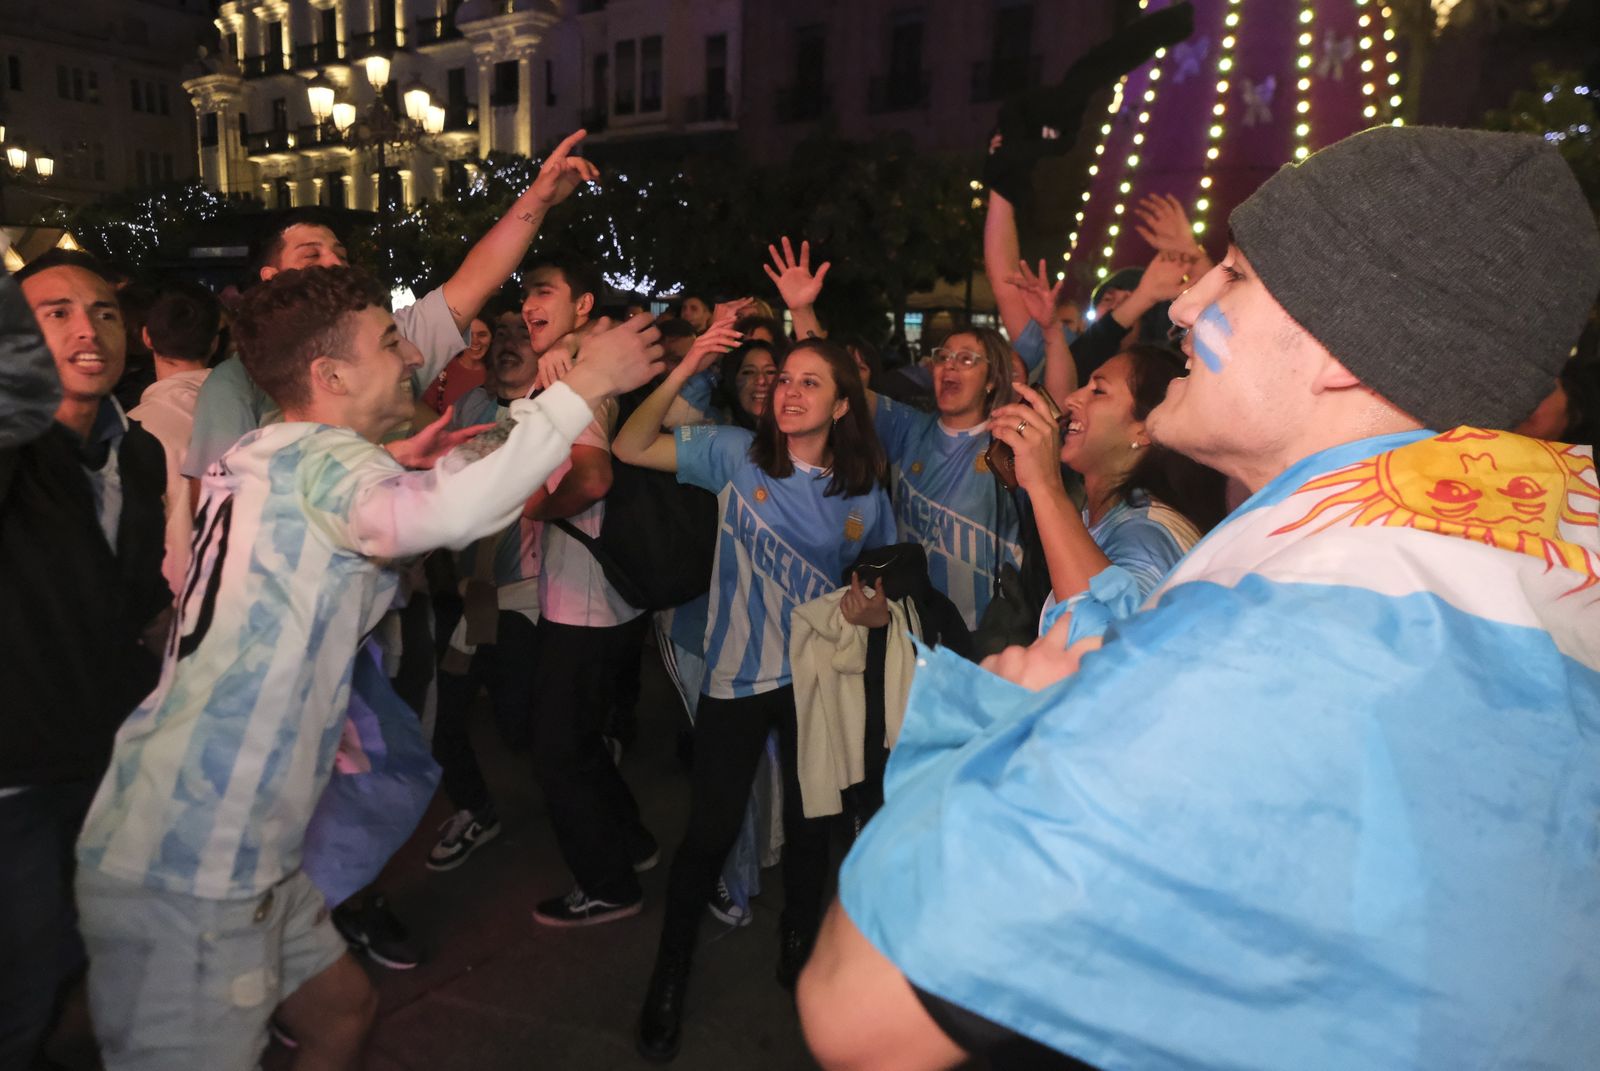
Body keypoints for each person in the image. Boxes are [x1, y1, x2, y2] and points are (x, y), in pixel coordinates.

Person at [797, 126, 1600, 1071]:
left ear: (1344, 350)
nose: (1185, 304)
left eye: (1236, 277)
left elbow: (856, 1007)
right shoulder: (1538, 536)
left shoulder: (1257, 649)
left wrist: (1008, 719)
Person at [73, 265, 664, 1071]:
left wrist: (390, 459)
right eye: (390, 341)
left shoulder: (267, 452)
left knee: (341, 1015)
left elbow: (373, 509)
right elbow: (451, 511)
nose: (412, 358)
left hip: (230, 844)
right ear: (332, 375)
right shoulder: (326, 468)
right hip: (196, 861)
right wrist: (586, 382)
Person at [615, 333, 896, 1063]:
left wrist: (875, 608)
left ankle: (798, 941)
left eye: (809, 382)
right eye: (782, 381)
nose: (789, 391)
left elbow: (880, 582)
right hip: (735, 679)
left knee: (810, 830)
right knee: (707, 833)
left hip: (815, 686)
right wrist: (688, 362)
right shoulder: (735, 454)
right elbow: (629, 444)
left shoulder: (862, 490)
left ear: (840, 405)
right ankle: (669, 973)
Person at [0, 254, 170, 1069]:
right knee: (26, 979)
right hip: (17, 772)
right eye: (54, 312)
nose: (85, 328)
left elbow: (132, 602)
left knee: (99, 951)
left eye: (101, 311)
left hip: (112, 756)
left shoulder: (136, 456)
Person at [766, 237, 1071, 633]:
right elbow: (832, 384)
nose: (949, 367)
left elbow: (1058, 411)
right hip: (908, 625)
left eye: (966, 360)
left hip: (983, 633)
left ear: (992, 380)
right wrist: (802, 309)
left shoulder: (1009, 442)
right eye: (942, 357)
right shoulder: (908, 426)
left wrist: (1051, 332)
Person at [520, 256, 662, 928]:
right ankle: (629, 844)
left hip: (583, 599)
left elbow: (594, 477)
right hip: (610, 595)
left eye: (543, 292)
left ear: (583, 305)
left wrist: (534, 510)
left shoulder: (576, 384)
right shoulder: (576, 371)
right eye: (525, 295)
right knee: (578, 738)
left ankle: (606, 883)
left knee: (557, 747)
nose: (528, 305)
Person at [989, 343, 1226, 639]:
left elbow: (1110, 642)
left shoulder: (1150, 534)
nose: (1072, 399)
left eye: (1097, 391)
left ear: (1145, 428)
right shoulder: (1097, 515)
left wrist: (1045, 486)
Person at [426, 309, 545, 871]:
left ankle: (586, 761)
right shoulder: (472, 408)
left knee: (520, 722)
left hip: (535, 593)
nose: (509, 344)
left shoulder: (555, 410)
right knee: (444, 714)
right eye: (500, 333)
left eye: (523, 333)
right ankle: (476, 808)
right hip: (476, 592)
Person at [127, 280, 223, 598]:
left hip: (173, 606)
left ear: (146, 337)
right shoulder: (258, 411)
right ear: (214, 342)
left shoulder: (137, 427)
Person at [420, 315, 492, 414]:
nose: (474, 341)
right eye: (468, 335)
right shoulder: (442, 367)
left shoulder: (498, 374)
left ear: (492, 337)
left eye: (482, 335)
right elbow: (424, 411)